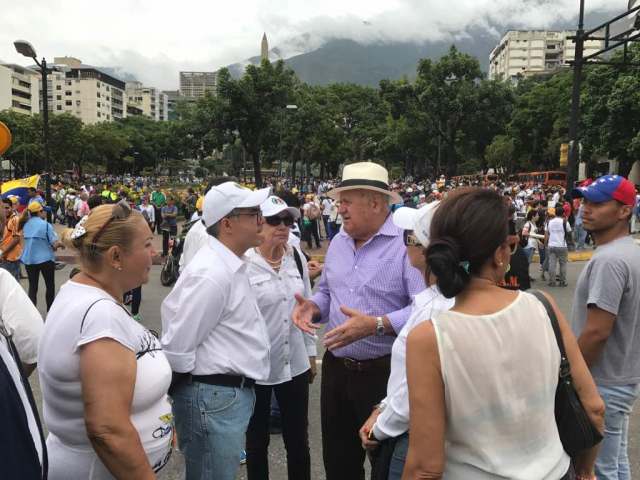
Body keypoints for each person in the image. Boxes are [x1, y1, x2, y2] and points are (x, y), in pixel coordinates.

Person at [402, 187, 604, 480]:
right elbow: (594, 408)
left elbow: (425, 467)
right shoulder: (542, 306)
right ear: (499, 255)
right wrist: (585, 472)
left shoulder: (429, 338)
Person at [292, 162, 424, 480]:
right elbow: (327, 292)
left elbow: (424, 310)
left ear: (376, 203)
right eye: (340, 202)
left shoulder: (407, 245)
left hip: (385, 372)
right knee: (338, 462)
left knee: (386, 463)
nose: (340, 209)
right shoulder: (338, 242)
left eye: (347, 201)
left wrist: (376, 324)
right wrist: (312, 307)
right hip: (337, 370)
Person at [38, 200, 173, 479]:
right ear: (115, 257)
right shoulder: (101, 315)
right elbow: (107, 430)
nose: (155, 253)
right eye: (147, 244)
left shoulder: (80, 290)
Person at [161, 181, 271, 480]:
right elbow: (178, 346)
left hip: (223, 396)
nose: (262, 219)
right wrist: (193, 396)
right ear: (228, 224)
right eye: (253, 213)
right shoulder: (212, 274)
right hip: (212, 396)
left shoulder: (229, 265)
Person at [358, 201, 454, 479]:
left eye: (408, 237)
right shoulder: (433, 300)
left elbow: (417, 387)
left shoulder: (437, 307)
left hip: (413, 434)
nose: (404, 244)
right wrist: (383, 408)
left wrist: (380, 426)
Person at [570, 175, 640, 479]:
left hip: (603, 381)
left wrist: (573, 378)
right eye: (584, 201)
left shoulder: (609, 260)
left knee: (599, 469)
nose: (586, 209)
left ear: (624, 210)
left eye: (597, 203)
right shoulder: (631, 251)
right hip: (622, 377)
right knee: (615, 462)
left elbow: (597, 331)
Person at [245, 195, 317, 480]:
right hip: (256, 367)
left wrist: (311, 353)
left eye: (288, 220)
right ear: (258, 224)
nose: (283, 226)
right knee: (256, 441)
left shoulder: (296, 257)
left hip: (295, 362)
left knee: (298, 440)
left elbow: (307, 305)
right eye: (275, 220)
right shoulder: (243, 263)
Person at [20, 202, 64, 311]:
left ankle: (32, 313)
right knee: (50, 286)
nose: (44, 213)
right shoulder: (46, 225)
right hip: (46, 260)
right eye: (43, 211)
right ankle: (50, 311)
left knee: (32, 288)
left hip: (29, 260)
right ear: (39, 212)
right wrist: (61, 244)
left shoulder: (25, 224)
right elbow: (54, 244)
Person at [545, 207, 571, 287]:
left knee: (552, 264)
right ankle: (562, 282)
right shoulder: (565, 222)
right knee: (563, 264)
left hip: (551, 245)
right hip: (562, 245)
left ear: (555, 213)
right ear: (563, 213)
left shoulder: (549, 222)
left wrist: (545, 243)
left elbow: (546, 234)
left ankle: (552, 282)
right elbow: (569, 232)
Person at [0, 198, 24, 281]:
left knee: (12, 284)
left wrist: (3, 254)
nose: (5, 210)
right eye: (3, 208)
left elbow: (16, 239)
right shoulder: (3, 220)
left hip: (11, 258)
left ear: (12, 207)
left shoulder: (15, 219)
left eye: (7, 208)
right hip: (4, 257)